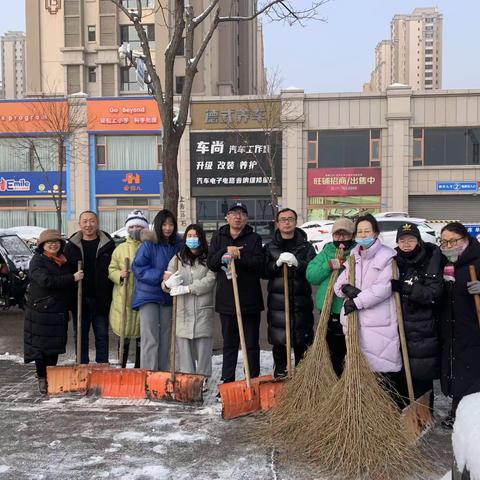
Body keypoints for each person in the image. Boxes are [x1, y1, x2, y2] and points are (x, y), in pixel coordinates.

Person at [334, 214, 402, 395]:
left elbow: (384, 288)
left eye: (367, 231)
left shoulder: (388, 256)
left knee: (380, 374)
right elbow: (338, 284)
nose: (363, 235)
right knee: (358, 371)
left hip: (378, 323)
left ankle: (384, 413)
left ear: (376, 233)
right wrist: (345, 288)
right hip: (355, 322)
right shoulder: (354, 256)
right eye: (360, 232)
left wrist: (357, 302)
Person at [207, 202, 264, 386]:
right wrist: (225, 251)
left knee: (251, 344)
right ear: (227, 217)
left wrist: (239, 256)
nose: (238, 217)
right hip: (226, 300)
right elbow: (211, 263)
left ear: (246, 218)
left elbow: (259, 264)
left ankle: (252, 380)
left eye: (242, 213)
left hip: (250, 300)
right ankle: (227, 381)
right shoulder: (219, 237)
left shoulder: (254, 238)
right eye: (234, 213)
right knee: (229, 345)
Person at [24, 230, 84, 393]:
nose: (53, 244)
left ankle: (52, 377)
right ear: (42, 245)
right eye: (49, 242)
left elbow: (68, 289)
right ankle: (42, 378)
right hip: (41, 311)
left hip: (58, 311)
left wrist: (70, 307)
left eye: (56, 241)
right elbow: (46, 281)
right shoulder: (38, 260)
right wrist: (72, 277)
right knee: (40, 348)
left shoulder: (63, 261)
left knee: (54, 346)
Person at [392, 222, 442, 406]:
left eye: (411, 239)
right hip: (399, 326)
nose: (406, 243)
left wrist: (405, 288)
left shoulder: (430, 260)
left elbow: (433, 294)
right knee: (400, 376)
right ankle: (402, 414)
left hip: (422, 328)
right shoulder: (393, 260)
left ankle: (423, 414)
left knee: (421, 374)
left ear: (418, 241)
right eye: (402, 240)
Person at [263, 208, 316, 378]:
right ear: (277, 224)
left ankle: (302, 382)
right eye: (283, 219)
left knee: (303, 343)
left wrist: (298, 264)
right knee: (280, 343)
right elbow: (263, 271)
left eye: (290, 219)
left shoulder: (306, 246)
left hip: (301, 304)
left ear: (295, 222)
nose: (287, 222)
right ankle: (280, 375)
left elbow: (313, 270)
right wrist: (276, 264)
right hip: (279, 305)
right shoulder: (270, 247)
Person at [438, 222, 480, 428]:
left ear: (464, 239)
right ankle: (456, 411)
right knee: (456, 369)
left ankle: (468, 414)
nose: (448, 245)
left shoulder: (477, 261)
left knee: (472, 371)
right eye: (444, 242)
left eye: (453, 241)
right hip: (451, 326)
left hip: (473, 326)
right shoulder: (445, 263)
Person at [162, 224, 216, 383]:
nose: (192, 239)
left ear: (201, 238)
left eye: (195, 236)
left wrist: (188, 288)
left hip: (202, 309)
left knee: (204, 348)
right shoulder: (177, 259)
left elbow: (210, 281)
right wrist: (168, 284)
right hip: (183, 311)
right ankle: (188, 381)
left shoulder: (208, 258)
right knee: (184, 349)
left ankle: (203, 379)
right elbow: (165, 283)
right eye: (189, 236)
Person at [132, 209, 182, 371]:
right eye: (164, 224)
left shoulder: (177, 245)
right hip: (148, 296)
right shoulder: (149, 245)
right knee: (150, 337)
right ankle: (149, 374)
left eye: (171, 224)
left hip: (168, 296)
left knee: (166, 337)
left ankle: (163, 374)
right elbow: (138, 268)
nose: (168, 228)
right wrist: (161, 275)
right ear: (158, 226)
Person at [306, 217, 356, 376]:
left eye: (345, 235)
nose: (340, 239)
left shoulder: (357, 253)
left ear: (353, 236)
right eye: (337, 235)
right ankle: (332, 380)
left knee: (348, 349)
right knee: (331, 351)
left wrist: (347, 264)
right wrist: (328, 265)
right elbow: (311, 276)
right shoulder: (326, 252)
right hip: (328, 312)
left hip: (349, 311)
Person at [65, 211, 115, 364]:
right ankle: (82, 368)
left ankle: (102, 369)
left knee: (102, 336)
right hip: (79, 300)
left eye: (92, 221)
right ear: (80, 224)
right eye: (85, 221)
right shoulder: (71, 247)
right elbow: (65, 273)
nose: (88, 225)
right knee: (80, 337)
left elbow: (114, 269)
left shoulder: (108, 245)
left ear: (97, 223)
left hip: (101, 299)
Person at [108, 210, 149, 368]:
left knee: (141, 338)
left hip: (142, 298)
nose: (135, 229)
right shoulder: (120, 249)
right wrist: (120, 274)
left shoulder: (148, 247)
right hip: (123, 299)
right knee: (123, 337)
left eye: (139, 226)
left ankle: (140, 368)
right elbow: (111, 269)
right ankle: (121, 366)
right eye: (132, 226)